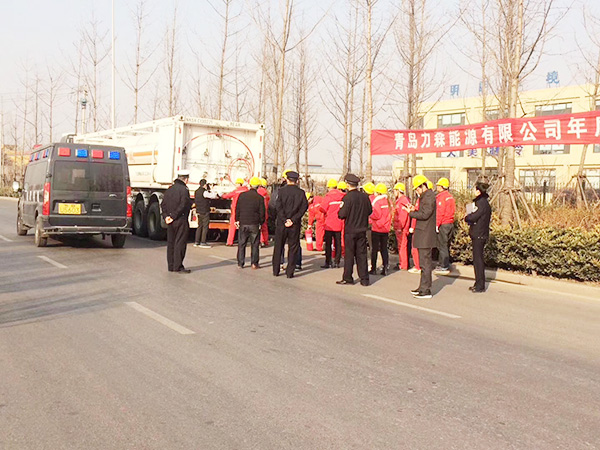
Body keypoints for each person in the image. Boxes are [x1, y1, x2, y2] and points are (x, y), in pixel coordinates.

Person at [404, 175, 437, 299]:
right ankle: (422, 287)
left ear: (423, 186)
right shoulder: (426, 197)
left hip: (425, 234)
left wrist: (411, 213)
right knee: (423, 264)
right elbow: (423, 212)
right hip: (423, 233)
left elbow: (425, 214)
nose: (417, 191)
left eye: (417, 188)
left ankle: (426, 290)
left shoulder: (428, 197)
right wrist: (414, 209)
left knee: (425, 263)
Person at [337, 174, 372, 286]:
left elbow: (341, 214)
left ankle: (348, 277)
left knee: (349, 255)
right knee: (362, 255)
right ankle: (364, 279)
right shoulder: (365, 197)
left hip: (350, 230)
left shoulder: (347, 198)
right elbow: (370, 211)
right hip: (362, 229)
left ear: (347, 184)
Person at [272, 171, 308, 278]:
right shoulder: (301, 193)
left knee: (279, 246)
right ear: (297, 181)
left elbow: (278, 207)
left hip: (282, 224)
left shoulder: (281, 191)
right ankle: (290, 272)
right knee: (293, 247)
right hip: (294, 224)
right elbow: (303, 208)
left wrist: (284, 219)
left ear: (287, 179)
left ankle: (276, 270)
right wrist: (293, 219)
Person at [161, 170, 192, 273]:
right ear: (186, 179)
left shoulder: (169, 189)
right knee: (180, 243)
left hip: (170, 221)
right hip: (180, 219)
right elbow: (183, 205)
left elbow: (163, 204)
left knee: (171, 243)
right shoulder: (184, 190)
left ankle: (171, 266)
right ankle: (178, 266)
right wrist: (174, 216)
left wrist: (166, 216)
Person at [465, 181, 492, 293]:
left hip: (479, 234)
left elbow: (474, 216)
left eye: (475, 189)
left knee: (478, 260)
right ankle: (478, 283)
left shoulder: (481, 203)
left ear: (479, 191)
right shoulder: (484, 202)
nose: (473, 191)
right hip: (480, 233)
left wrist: (467, 217)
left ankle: (480, 285)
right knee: (477, 259)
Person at [235, 177, 266, 269]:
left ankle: (240, 263)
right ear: (258, 186)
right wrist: (261, 222)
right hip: (254, 223)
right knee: (255, 244)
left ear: (250, 185)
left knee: (242, 243)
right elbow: (262, 212)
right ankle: (254, 263)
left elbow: (237, 208)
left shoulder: (242, 196)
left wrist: (237, 219)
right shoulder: (260, 198)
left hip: (243, 222)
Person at [319, 179, 345, 268]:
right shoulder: (342, 196)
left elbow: (322, 208)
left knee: (328, 244)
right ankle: (337, 261)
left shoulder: (328, 197)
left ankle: (328, 262)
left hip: (329, 224)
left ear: (329, 187)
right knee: (338, 243)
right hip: (339, 222)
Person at [434, 177, 456, 275]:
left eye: (438, 185)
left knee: (442, 245)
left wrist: (436, 224)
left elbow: (440, 212)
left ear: (442, 186)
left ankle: (443, 265)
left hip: (443, 224)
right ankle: (443, 264)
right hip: (450, 223)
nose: (437, 187)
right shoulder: (450, 197)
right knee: (446, 245)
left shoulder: (441, 197)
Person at [369, 183, 391, 276]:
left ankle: (373, 268)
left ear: (378, 192)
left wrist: (369, 214)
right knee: (384, 249)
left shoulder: (377, 202)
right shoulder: (388, 202)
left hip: (377, 228)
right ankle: (385, 267)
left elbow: (376, 215)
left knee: (374, 249)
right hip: (385, 228)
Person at [222, 178, 249, 246]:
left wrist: (222, 195)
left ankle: (229, 242)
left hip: (235, 209)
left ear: (239, 184)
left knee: (232, 226)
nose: (236, 184)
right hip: (245, 210)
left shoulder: (236, 191)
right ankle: (243, 241)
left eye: (236, 183)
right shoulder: (246, 190)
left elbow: (227, 196)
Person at [193, 179, 219, 248]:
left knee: (199, 226)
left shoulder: (196, 191)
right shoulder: (204, 192)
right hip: (204, 211)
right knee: (205, 227)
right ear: (204, 185)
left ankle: (197, 241)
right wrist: (212, 189)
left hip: (198, 210)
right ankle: (203, 242)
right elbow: (213, 196)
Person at [393, 182, 411, 271]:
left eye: (395, 190)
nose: (394, 192)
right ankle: (402, 263)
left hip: (401, 228)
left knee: (402, 246)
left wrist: (400, 227)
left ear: (398, 191)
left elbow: (403, 216)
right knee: (402, 246)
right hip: (400, 227)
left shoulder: (402, 201)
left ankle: (403, 264)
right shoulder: (402, 201)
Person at [257, 178, 270, 246]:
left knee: (258, 227)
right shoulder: (266, 193)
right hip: (265, 212)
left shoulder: (258, 191)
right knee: (264, 227)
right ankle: (265, 241)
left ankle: (261, 240)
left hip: (259, 211)